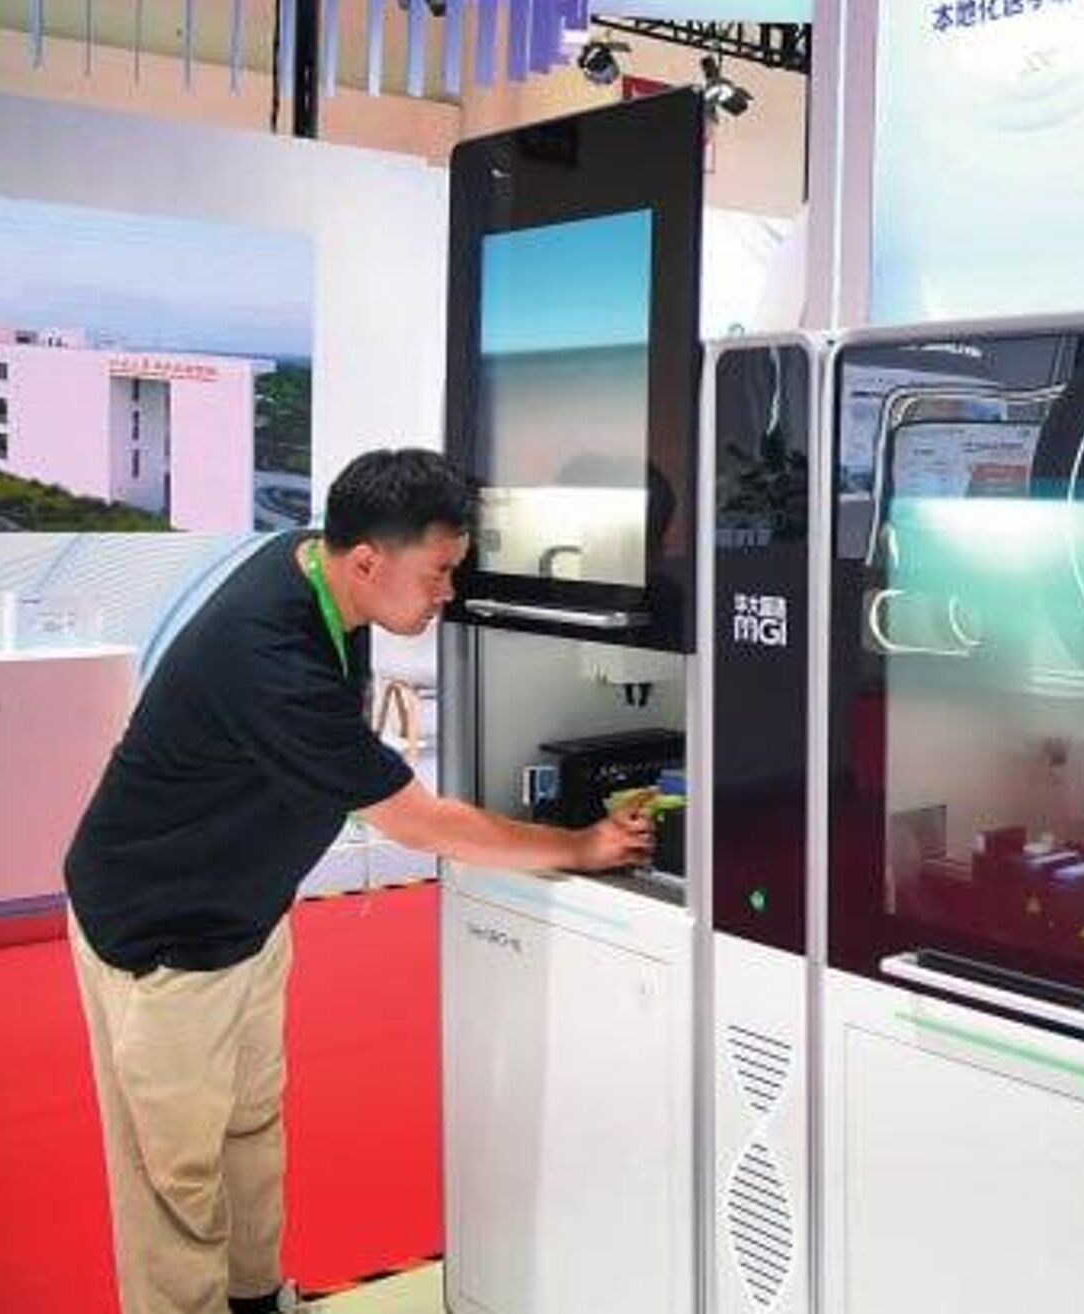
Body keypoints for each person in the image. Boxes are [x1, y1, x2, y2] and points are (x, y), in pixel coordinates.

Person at [63, 449, 652, 1314]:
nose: (448, 592)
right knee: (174, 1174)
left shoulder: (320, 566)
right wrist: (578, 846)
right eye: (439, 573)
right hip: (161, 934)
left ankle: (256, 1298)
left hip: (246, 913)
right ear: (370, 562)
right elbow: (420, 824)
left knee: (250, 1127)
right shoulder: (268, 657)